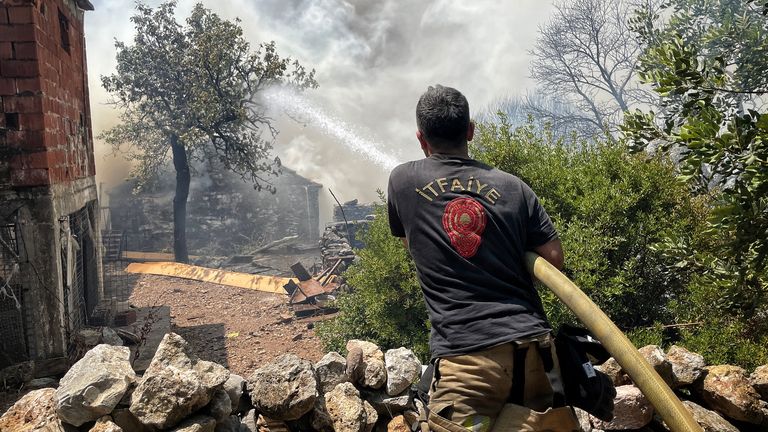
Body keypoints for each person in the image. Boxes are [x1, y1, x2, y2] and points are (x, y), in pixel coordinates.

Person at [387, 85, 580, 432]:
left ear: (420, 138)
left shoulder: (403, 180)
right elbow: (553, 259)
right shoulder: (513, 187)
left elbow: (409, 242)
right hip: (533, 353)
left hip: (467, 362)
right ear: (471, 131)